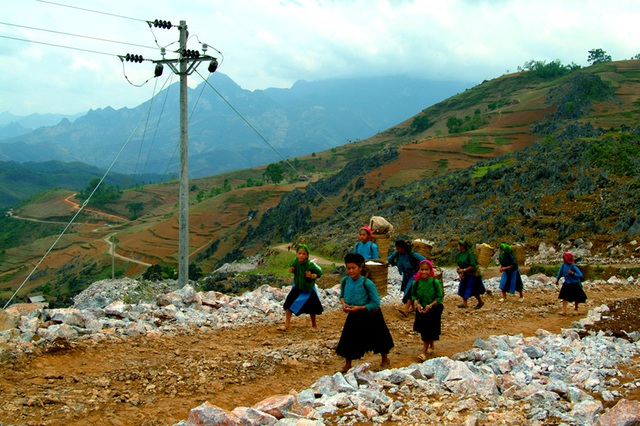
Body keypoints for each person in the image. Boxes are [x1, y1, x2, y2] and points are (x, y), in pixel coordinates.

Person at [336, 252, 394, 373]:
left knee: (379, 338)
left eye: (353, 268)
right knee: (349, 337)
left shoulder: (367, 283)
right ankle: (348, 364)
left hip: (371, 315)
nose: (351, 271)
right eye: (348, 268)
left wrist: (360, 308)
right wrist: (344, 304)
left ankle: (385, 359)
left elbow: (376, 303)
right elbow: (342, 296)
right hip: (354, 314)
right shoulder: (345, 281)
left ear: (360, 268)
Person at [279, 244, 323, 331]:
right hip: (298, 286)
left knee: (312, 308)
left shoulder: (310, 265)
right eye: (299, 253)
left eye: (304, 254)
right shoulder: (295, 262)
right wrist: (292, 270)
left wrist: (312, 275)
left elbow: (319, 273)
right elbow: (291, 264)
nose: (301, 255)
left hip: (308, 288)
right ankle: (286, 325)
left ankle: (314, 325)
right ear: (296, 254)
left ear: (307, 255)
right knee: (288, 304)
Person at [411, 259, 444, 361]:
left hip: (434, 308)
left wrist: (430, 305)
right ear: (419, 270)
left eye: (426, 270)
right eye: (422, 269)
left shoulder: (435, 282)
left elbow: (440, 297)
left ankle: (424, 352)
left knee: (428, 329)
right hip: (421, 308)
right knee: (425, 329)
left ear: (430, 271)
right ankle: (432, 346)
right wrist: (417, 304)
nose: (424, 272)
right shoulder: (416, 282)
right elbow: (413, 295)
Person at [387, 240, 426, 315]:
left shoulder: (412, 254)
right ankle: (413, 308)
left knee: (409, 291)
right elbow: (389, 259)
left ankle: (405, 310)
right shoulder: (398, 254)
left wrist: (419, 269)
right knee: (406, 290)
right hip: (406, 275)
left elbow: (424, 259)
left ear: (403, 248)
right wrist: (395, 264)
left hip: (414, 274)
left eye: (398, 249)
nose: (397, 250)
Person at [456, 238, 486, 309]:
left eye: (458, 245)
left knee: (474, 289)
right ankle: (465, 303)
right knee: (462, 288)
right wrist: (460, 273)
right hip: (465, 274)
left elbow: (472, 266)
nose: (457, 247)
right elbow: (459, 264)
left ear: (462, 246)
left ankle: (480, 302)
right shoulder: (460, 254)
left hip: (473, 275)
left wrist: (463, 270)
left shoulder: (470, 254)